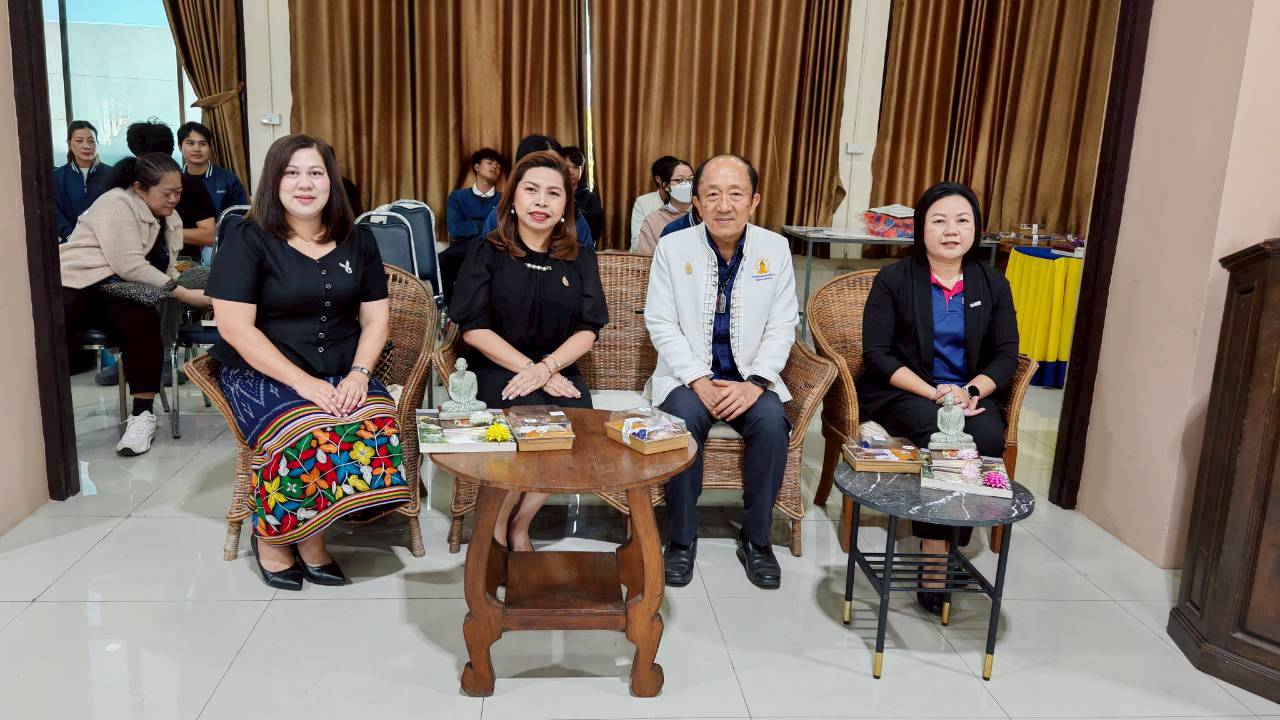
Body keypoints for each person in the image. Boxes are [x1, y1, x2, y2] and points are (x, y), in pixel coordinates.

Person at [205, 133, 413, 591]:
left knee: (375, 418)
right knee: (307, 426)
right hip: (261, 371)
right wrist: (303, 383)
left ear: (331, 182)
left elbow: (376, 319)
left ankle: (314, 536)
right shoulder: (246, 237)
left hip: (341, 367)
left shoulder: (358, 239)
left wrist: (359, 374)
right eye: (292, 173)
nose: (305, 183)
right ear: (273, 181)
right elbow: (235, 328)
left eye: (315, 173)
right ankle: (274, 538)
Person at [856, 181, 1019, 616]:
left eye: (962, 220)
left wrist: (969, 391)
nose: (951, 230)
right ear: (921, 228)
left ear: (976, 228)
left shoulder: (993, 282)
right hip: (908, 390)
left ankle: (953, 529)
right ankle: (934, 555)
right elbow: (877, 354)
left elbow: (1007, 355)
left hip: (968, 394)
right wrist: (935, 393)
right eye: (939, 220)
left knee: (987, 437)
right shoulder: (894, 279)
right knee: (942, 438)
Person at [645, 155, 797, 590]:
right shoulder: (673, 247)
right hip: (687, 377)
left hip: (751, 378)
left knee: (772, 423)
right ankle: (681, 540)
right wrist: (697, 378)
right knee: (680, 422)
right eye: (712, 194)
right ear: (696, 201)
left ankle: (756, 540)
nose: (724, 205)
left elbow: (783, 324)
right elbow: (661, 322)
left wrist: (756, 383)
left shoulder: (775, 248)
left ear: (754, 200)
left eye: (735, 194)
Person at [450, 150, 607, 552]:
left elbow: (589, 329)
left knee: (573, 428)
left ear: (566, 205)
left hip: (560, 370)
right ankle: (497, 527)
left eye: (554, 193)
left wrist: (547, 369)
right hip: (496, 367)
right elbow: (473, 328)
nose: (541, 202)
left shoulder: (581, 257)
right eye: (531, 190)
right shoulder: (487, 250)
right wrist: (532, 370)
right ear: (513, 198)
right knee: (522, 426)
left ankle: (521, 523)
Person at [58, 153, 212, 456]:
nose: (173, 199)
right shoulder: (117, 203)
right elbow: (129, 264)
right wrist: (184, 294)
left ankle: (142, 415)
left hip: (120, 290)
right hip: (81, 284)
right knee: (50, 334)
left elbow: (166, 267)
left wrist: (182, 287)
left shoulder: (171, 218)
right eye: (166, 193)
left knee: (142, 320)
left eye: (178, 192)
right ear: (140, 188)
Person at [480, 135, 595, 250]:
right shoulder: (498, 218)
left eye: (554, 164)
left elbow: (588, 256)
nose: (542, 201)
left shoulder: (575, 219)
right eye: (531, 189)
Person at [125, 120, 216, 260]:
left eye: (177, 192)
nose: (172, 198)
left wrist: (165, 231)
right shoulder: (126, 185)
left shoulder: (191, 185)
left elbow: (209, 236)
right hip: (136, 261)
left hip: (184, 264)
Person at [442, 147, 505, 303]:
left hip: (493, 247)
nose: (495, 166)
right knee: (442, 261)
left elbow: (504, 228)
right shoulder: (458, 197)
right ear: (477, 167)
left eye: (498, 165)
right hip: (463, 247)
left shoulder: (503, 199)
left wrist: (471, 225)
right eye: (490, 162)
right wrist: (487, 224)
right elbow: (456, 230)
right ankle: (449, 307)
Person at [53, 120, 113, 243]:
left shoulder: (112, 174)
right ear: (69, 144)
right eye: (79, 141)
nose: (86, 146)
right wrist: (71, 236)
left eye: (91, 141)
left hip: (106, 240)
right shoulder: (57, 177)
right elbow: (55, 212)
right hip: (70, 242)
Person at [633, 158, 693, 254]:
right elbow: (646, 257)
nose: (687, 185)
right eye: (680, 180)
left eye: (691, 179)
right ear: (666, 186)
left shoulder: (703, 216)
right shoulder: (652, 221)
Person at [629, 155, 679, 248]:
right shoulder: (643, 202)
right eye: (676, 177)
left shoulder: (688, 204)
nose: (680, 182)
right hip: (649, 255)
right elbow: (636, 244)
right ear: (658, 179)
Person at [562, 146, 604, 243]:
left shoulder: (590, 198)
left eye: (576, 167)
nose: (571, 171)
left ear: (582, 169)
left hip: (581, 246)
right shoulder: (552, 195)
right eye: (567, 167)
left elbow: (596, 231)